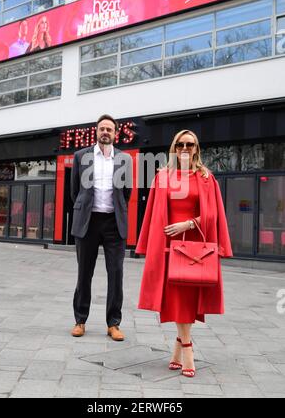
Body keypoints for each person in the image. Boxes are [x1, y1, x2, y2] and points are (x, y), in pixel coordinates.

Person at [136, 130, 233, 377]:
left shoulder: (205, 177)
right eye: (180, 144)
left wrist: (188, 224)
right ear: (174, 148)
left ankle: (183, 346)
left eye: (190, 144)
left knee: (188, 298)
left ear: (196, 148)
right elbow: (153, 213)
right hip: (169, 247)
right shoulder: (162, 177)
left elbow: (213, 215)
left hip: (194, 246)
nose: (185, 148)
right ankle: (183, 348)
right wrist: (149, 244)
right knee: (177, 298)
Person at [70, 114, 133, 341]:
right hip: (88, 222)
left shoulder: (125, 159)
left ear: (116, 133)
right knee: (84, 273)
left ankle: (113, 324)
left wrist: (117, 210)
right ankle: (80, 320)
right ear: (95, 132)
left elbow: (127, 192)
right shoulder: (81, 156)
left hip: (114, 224)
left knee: (116, 274)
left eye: (109, 129)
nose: (105, 132)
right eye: (102, 128)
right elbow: (75, 190)